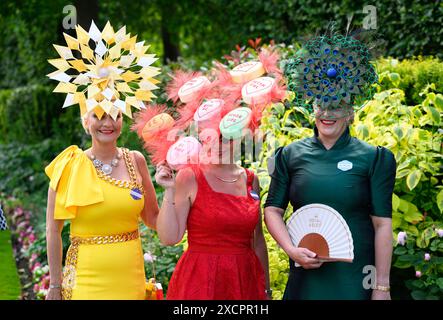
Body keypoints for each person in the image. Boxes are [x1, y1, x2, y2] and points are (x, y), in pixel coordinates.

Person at [264, 31, 396, 300]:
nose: (327, 113)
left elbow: (382, 225)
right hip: (305, 272)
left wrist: (381, 286)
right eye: (321, 104)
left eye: (336, 105)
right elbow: (273, 210)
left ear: (350, 111)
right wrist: (291, 249)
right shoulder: (289, 155)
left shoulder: (374, 158)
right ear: (311, 105)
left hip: (355, 277)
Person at [44, 21, 160, 300]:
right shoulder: (69, 165)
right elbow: (53, 230)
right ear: (86, 121)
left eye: (114, 115)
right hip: (85, 281)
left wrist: (178, 189)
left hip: (131, 279)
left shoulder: (136, 160)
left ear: (123, 119)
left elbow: (155, 219)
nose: (107, 123)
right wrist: (55, 286)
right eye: (98, 115)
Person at [155, 134, 270, 300]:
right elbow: (169, 238)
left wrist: (266, 290)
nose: (216, 145)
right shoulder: (189, 176)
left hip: (244, 280)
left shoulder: (251, 179)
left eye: (224, 138)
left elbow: (257, 240)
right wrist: (169, 189)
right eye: (209, 138)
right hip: (200, 281)